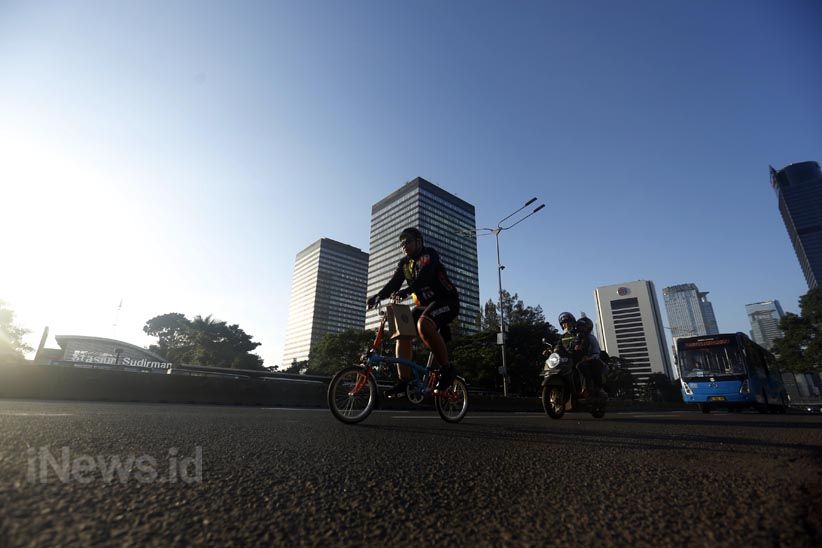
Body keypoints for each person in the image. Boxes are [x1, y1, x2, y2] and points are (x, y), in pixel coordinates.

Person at [366, 227, 460, 398]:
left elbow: (425, 277)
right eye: (401, 244)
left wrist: (406, 292)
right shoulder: (404, 264)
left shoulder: (429, 254)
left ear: (419, 241)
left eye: (407, 242)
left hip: (447, 300)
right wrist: (377, 296)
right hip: (425, 306)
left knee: (423, 324)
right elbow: (394, 284)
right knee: (402, 331)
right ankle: (404, 380)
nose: (404, 246)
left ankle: (448, 369)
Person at [574, 316, 607, 399]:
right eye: (579, 326)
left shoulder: (591, 338)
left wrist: (588, 358)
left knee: (581, 366)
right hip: (579, 359)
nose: (581, 328)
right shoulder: (575, 338)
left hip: (592, 360)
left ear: (588, 328)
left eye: (583, 327)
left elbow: (596, 352)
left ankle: (594, 388)